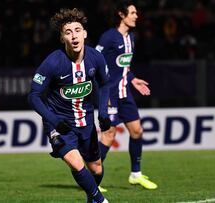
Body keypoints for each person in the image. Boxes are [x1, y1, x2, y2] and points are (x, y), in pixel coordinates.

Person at [28, 8, 111, 203]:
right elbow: (33, 96)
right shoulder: (53, 62)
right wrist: (54, 121)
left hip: (86, 122)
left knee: (97, 169)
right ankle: (101, 201)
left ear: (85, 34)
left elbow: (105, 83)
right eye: (68, 32)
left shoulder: (96, 58)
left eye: (77, 30)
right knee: (75, 162)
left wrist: (103, 113)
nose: (74, 36)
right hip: (60, 123)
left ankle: (92, 199)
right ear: (62, 38)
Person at [95, 0, 157, 190]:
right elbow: (94, 61)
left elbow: (124, 67)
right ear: (122, 15)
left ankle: (135, 174)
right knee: (108, 135)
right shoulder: (108, 38)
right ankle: (91, 177)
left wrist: (133, 79)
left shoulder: (131, 38)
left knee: (137, 131)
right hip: (110, 94)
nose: (136, 16)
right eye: (132, 12)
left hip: (125, 93)